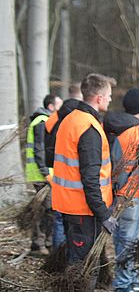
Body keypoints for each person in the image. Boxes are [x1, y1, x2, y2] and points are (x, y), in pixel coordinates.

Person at [52, 73, 119, 292]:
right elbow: (90, 179)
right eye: (109, 97)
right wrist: (103, 213)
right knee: (84, 269)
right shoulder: (88, 128)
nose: (111, 101)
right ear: (99, 97)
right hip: (83, 210)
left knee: (79, 265)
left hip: (71, 206)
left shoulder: (70, 119)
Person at [104, 88, 139, 292]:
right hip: (132, 195)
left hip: (111, 193)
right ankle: (125, 284)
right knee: (129, 241)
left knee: (120, 239)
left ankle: (127, 279)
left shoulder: (108, 126)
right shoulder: (138, 131)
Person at [45, 83, 84, 246]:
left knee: (59, 218)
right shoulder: (78, 116)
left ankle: (57, 256)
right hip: (74, 179)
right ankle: (63, 257)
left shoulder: (56, 115)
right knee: (69, 222)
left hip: (57, 173)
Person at [26, 94, 63, 256]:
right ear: (51, 107)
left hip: (42, 173)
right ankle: (39, 244)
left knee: (48, 209)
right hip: (41, 175)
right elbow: (39, 149)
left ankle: (44, 243)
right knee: (46, 210)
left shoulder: (42, 121)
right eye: (59, 106)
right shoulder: (42, 122)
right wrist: (45, 172)